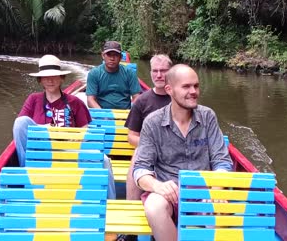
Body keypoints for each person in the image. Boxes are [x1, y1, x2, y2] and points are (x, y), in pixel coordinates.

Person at [133, 64, 233, 241]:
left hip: (204, 190)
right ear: (169, 89)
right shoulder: (152, 122)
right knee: (154, 207)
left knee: (220, 214)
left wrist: (216, 189)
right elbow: (141, 169)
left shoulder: (208, 116)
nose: (193, 91)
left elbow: (222, 161)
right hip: (168, 191)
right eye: (186, 86)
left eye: (196, 85)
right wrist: (158, 186)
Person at [12, 54, 116, 198]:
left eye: (54, 76)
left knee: (103, 160)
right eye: (46, 77)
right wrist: (47, 130)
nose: (50, 80)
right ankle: (26, 171)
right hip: (41, 152)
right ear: (40, 80)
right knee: (20, 122)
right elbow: (21, 128)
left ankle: (109, 203)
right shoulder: (33, 99)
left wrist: (78, 138)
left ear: (62, 78)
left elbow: (86, 130)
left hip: (69, 150)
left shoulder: (75, 102)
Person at [124, 54, 172, 201]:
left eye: (163, 71)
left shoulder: (180, 98)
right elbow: (132, 137)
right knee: (139, 152)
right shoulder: (142, 101)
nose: (159, 75)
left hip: (178, 151)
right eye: (155, 71)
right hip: (149, 153)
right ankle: (131, 203)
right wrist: (155, 146)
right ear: (150, 72)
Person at [86, 41, 141, 109]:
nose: (112, 58)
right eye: (109, 55)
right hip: (102, 113)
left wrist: (132, 113)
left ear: (120, 57)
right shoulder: (94, 74)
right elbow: (90, 100)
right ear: (103, 56)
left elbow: (137, 97)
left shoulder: (130, 73)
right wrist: (103, 114)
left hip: (125, 113)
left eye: (115, 55)